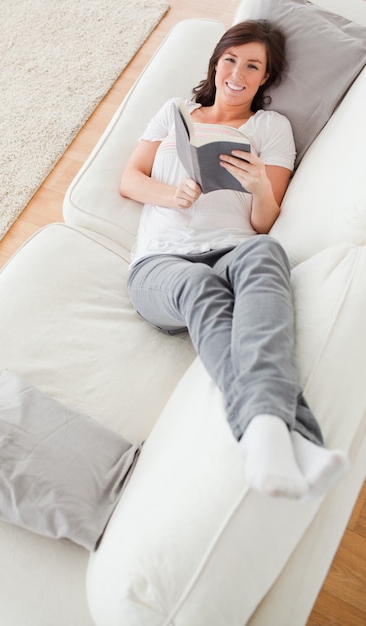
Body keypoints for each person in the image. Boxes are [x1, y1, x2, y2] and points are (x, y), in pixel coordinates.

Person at [120, 20, 348, 500]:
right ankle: (285, 436)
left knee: (267, 250)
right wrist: (171, 193)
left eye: (253, 66)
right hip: (162, 264)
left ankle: (269, 438)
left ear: (265, 78)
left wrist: (261, 184)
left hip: (233, 248)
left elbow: (264, 223)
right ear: (215, 63)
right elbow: (130, 178)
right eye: (231, 60)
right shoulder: (176, 111)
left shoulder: (272, 127)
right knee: (199, 288)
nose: (238, 74)